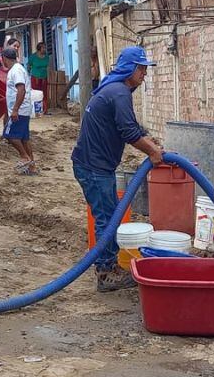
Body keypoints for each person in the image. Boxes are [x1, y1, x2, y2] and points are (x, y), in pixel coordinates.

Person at [70, 46, 165, 292]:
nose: (144, 73)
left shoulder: (113, 89)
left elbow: (130, 124)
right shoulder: (120, 92)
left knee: (110, 216)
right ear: (130, 69)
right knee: (107, 219)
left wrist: (150, 138)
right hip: (94, 167)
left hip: (94, 165)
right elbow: (129, 133)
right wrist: (153, 152)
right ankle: (105, 272)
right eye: (141, 68)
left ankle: (109, 265)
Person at [0, 48, 37, 175]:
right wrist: (8, 97)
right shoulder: (17, 69)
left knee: (9, 135)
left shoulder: (16, 71)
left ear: (4, 58)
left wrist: (15, 109)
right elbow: (17, 90)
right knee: (24, 139)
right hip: (22, 109)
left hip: (19, 110)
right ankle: (32, 165)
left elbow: (21, 90)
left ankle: (24, 157)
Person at [28, 42, 50, 115]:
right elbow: (29, 65)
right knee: (36, 94)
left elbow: (47, 67)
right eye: (43, 48)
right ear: (39, 49)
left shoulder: (46, 57)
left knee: (44, 94)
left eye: (45, 48)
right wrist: (29, 73)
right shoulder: (33, 57)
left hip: (44, 78)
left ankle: (45, 110)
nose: (45, 49)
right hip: (35, 78)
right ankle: (37, 111)